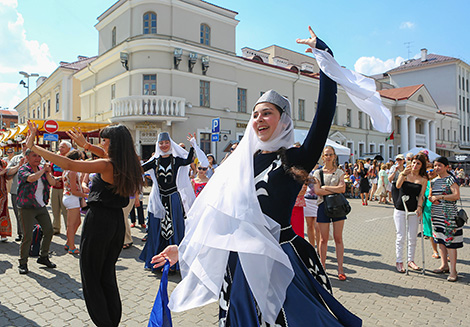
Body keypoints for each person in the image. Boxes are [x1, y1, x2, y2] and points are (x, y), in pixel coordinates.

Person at [152, 27, 363, 326]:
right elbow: (218, 218)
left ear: (283, 120)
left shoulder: (295, 158)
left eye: (267, 113)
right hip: (239, 263)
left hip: (282, 259)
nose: (259, 119)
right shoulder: (239, 163)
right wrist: (182, 248)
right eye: (255, 114)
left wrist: (324, 57)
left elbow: (324, 114)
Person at [25, 122, 143, 326]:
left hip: (99, 222)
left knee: (91, 275)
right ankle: (112, 320)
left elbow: (69, 164)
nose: (102, 144)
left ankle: (104, 322)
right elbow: (102, 153)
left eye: (105, 141)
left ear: (114, 144)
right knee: (106, 274)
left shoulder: (107, 165)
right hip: (115, 223)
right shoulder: (130, 162)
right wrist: (87, 146)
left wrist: (34, 147)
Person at [139, 132, 199, 272]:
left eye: (166, 142)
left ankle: (174, 262)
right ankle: (157, 260)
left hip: (173, 198)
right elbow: (139, 169)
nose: (164, 145)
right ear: (158, 145)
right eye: (161, 143)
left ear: (170, 143)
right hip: (159, 199)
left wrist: (192, 146)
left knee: (174, 228)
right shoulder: (155, 161)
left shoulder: (176, 159)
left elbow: (188, 160)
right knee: (159, 228)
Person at [17, 149, 57, 274]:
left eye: (39, 156)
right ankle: (23, 262)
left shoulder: (42, 170)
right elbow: (31, 178)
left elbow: (53, 183)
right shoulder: (23, 169)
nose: (37, 158)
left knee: (49, 230)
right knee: (27, 236)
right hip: (27, 207)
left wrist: (48, 173)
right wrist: (42, 171)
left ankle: (43, 256)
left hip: (40, 205)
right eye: (34, 155)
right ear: (27, 157)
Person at [313, 146, 348, 281]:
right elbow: (317, 191)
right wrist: (335, 190)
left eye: (330, 155)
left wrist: (326, 187)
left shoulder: (339, 172)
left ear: (334, 156)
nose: (328, 157)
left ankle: (340, 269)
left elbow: (342, 188)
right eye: (326, 155)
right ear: (322, 157)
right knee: (323, 239)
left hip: (338, 207)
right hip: (323, 206)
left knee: (338, 238)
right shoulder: (317, 173)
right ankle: (323, 267)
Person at [429, 156, 462, 282]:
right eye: (435, 165)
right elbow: (431, 194)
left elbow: (456, 195)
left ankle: (453, 271)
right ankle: (444, 265)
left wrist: (440, 197)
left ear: (446, 167)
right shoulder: (434, 180)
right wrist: (431, 198)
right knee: (440, 240)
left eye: (439, 166)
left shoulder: (450, 179)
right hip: (436, 215)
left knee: (451, 243)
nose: (436, 168)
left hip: (449, 215)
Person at [392, 154, 427, 273]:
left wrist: (419, 207)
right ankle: (399, 260)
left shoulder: (423, 179)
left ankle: (410, 260)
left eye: (418, 163)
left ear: (421, 165)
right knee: (401, 236)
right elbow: (397, 185)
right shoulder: (405, 174)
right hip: (401, 208)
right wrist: (403, 174)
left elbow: (421, 195)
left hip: (414, 209)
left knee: (412, 237)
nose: (415, 165)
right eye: (413, 162)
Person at [62, 150, 89, 254]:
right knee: (72, 224)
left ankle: (69, 242)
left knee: (77, 222)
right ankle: (71, 247)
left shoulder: (67, 170)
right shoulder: (72, 171)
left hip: (71, 198)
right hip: (72, 198)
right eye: (80, 158)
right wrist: (85, 195)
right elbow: (74, 190)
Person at [6, 142, 27, 241]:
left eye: (27, 144)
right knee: (18, 213)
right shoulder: (16, 158)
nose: (25, 147)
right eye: (23, 145)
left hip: (32, 191)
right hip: (16, 190)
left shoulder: (38, 157)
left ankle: (34, 233)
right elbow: (8, 171)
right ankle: (21, 233)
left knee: (33, 213)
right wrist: (19, 166)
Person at [51, 140, 71, 235]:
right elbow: (51, 170)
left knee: (65, 210)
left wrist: (61, 180)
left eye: (63, 147)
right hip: (55, 187)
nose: (60, 148)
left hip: (65, 188)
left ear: (68, 148)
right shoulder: (56, 158)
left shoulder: (70, 159)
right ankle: (56, 228)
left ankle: (69, 229)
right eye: (60, 147)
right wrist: (54, 180)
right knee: (55, 208)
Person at [422, 164, 440, 259]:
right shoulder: (425, 183)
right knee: (430, 232)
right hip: (427, 210)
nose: (430, 173)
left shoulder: (439, 181)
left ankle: (446, 253)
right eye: (428, 171)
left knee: (440, 232)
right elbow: (423, 198)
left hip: (439, 210)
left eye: (432, 170)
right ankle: (435, 251)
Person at [304, 165, 320, 248]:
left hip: (318, 200)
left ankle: (319, 248)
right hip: (308, 200)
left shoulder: (321, 169)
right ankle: (312, 247)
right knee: (310, 226)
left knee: (318, 227)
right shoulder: (306, 169)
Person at [0, 158, 11, 242]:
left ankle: (3, 234)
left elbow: (7, 177)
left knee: (3, 212)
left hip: (2, 193)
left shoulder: (3, 163)